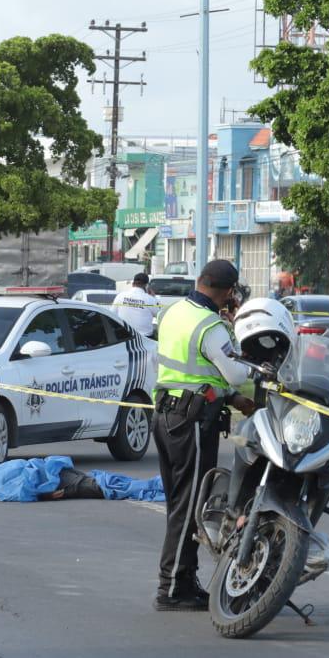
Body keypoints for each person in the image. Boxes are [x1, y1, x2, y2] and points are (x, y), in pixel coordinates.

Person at [152, 259, 255, 611]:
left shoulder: (174, 311)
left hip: (166, 413)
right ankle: (171, 589)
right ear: (228, 292)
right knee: (191, 506)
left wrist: (227, 396)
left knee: (178, 504)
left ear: (200, 280)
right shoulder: (211, 325)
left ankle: (182, 580)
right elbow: (236, 373)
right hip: (192, 421)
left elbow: (191, 369)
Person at [112, 271, 159, 338]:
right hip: (144, 338)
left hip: (123, 336)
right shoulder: (150, 299)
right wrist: (154, 297)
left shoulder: (120, 296)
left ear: (133, 284)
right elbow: (159, 314)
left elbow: (113, 313)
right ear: (146, 285)